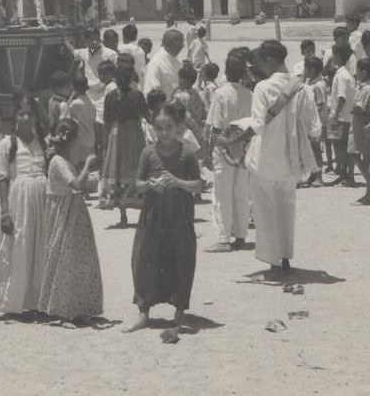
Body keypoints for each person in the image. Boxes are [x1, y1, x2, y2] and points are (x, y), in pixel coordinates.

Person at [237, 41, 320, 276]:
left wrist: (236, 134)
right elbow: (315, 129)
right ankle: (284, 259)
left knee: (265, 213)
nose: (260, 68)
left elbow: (258, 124)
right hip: (292, 161)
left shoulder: (263, 87)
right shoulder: (304, 88)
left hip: (265, 159)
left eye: (261, 63)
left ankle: (273, 263)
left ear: (270, 61)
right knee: (286, 211)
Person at [123, 101, 203, 334]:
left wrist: (176, 182)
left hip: (180, 216)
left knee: (181, 258)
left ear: (177, 126)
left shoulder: (187, 153)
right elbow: (137, 185)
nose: (164, 132)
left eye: (168, 127)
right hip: (153, 217)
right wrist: (150, 185)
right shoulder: (148, 153)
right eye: (159, 128)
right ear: (153, 128)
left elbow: (198, 185)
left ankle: (180, 312)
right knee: (145, 259)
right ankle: (143, 312)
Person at [39, 119, 102, 321]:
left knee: (77, 259)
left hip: (73, 212)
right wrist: (88, 165)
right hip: (64, 213)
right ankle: (63, 310)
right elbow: (75, 184)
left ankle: (78, 307)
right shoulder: (58, 161)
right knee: (64, 259)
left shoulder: (64, 159)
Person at [0, 93, 48, 316]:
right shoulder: (7, 144)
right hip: (18, 202)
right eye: (21, 113)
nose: (25, 118)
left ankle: (37, 301)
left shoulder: (41, 140)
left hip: (41, 201)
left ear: (35, 117)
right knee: (19, 247)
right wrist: (5, 212)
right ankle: (14, 301)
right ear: (15, 116)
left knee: (39, 247)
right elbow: (3, 178)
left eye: (29, 114)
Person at [205, 56, 253, 252]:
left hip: (224, 147)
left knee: (222, 193)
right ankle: (241, 235)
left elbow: (216, 127)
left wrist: (209, 152)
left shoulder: (220, 94)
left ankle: (224, 238)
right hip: (243, 147)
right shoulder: (249, 94)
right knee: (241, 192)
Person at [102, 63, 147, 227]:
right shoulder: (137, 95)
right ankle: (142, 212)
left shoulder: (111, 96)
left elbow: (107, 121)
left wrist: (105, 145)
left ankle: (123, 216)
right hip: (134, 134)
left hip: (116, 135)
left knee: (118, 171)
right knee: (136, 169)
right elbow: (147, 116)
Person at [63, 27, 118, 147]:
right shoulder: (84, 52)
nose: (94, 42)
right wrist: (64, 39)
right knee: (90, 126)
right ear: (86, 41)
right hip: (88, 95)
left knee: (102, 126)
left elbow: (115, 74)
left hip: (104, 94)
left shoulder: (110, 54)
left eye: (96, 39)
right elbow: (73, 52)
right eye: (91, 40)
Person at [326, 44, 357, 186]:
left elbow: (341, 97)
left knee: (342, 148)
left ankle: (346, 175)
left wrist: (335, 116)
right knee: (341, 147)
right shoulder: (345, 73)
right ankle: (344, 174)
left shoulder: (342, 75)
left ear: (338, 56)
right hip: (344, 116)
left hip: (342, 117)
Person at [351, 59, 370, 201]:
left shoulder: (367, 89)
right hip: (361, 127)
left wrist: (353, 108)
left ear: (363, 72)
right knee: (358, 156)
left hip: (365, 127)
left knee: (364, 158)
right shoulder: (365, 87)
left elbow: (358, 107)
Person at [303, 56, 327, 187]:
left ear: (312, 69)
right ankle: (312, 174)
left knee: (316, 149)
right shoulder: (310, 83)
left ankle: (319, 176)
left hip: (315, 123)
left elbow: (320, 104)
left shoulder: (318, 85)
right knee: (310, 149)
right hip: (309, 122)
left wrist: (308, 114)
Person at [64, 75, 96, 169]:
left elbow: (65, 108)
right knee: (86, 165)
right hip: (90, 137)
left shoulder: (75, 104)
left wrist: (72, 96)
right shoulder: (91, 102)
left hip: (80, 139)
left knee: (79, 165)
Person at [143, 28, 184, 98]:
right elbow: (151, 93)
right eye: (180, 44)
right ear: (172, 44)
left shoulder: (177, 61)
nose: (182, 46)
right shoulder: (156, 63)